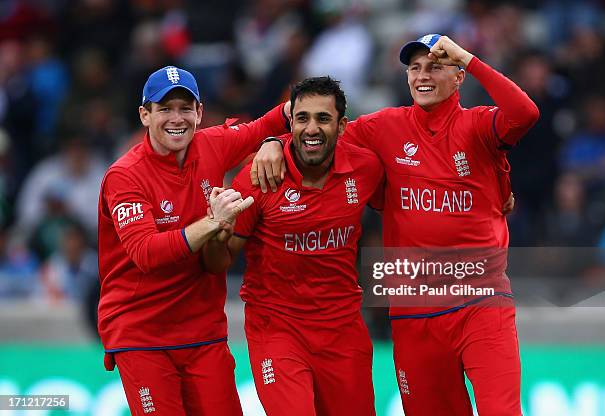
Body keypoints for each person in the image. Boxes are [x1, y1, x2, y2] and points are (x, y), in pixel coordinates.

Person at [252, 35, 539, 415]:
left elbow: (525, 113)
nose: (423, 75)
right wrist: (273, 138)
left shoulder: (478, 125)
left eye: (436, 66)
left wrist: (468, 57)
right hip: (414, 312)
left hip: (479, 301)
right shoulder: (385, 126)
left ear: (458, 77)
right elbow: (316, 135)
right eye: (415, 68)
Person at [97, 65, 289, 415]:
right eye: (164, 108)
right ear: (144, 115)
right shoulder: (125, 176)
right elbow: (146, 253)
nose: (177, 118)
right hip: (142, 333)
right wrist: (213, 222)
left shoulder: (211, 144)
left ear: (199, 112)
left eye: (185, 108)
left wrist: (276, 138)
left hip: (203, 331)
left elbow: (269, 122)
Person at [204, 76, 384, 415]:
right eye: (302, 118)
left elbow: (413, 198)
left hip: (343, 332)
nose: (311, 128)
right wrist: (216, 230)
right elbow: (219, 262)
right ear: (291, 122)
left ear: (342, 125)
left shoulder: (366, 168)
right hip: (277, 331)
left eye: (323, 118)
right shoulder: (259, 177)